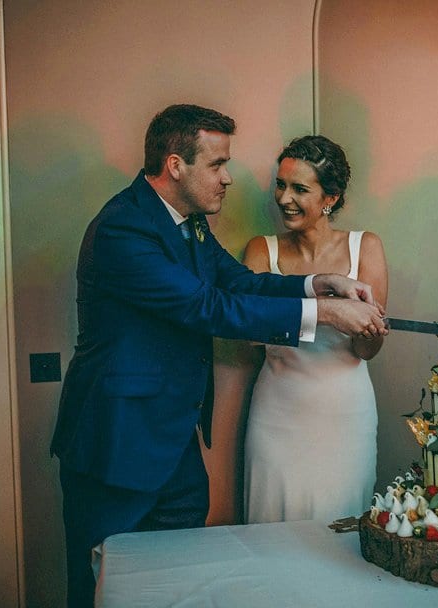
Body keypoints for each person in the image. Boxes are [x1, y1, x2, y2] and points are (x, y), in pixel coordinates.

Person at [50, 105, 387, 607]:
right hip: (116, 444)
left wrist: (318, 283)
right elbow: (206, 306)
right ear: (175, 165)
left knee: (181, 577)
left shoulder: (189, 223)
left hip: (174, 445)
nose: (228, 178)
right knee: (108, 583)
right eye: (217, 164)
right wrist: (326, 315)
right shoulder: (124, 229)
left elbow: (240, 282)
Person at [242, 135, 388, 524]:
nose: (284, 197)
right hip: (276, 415)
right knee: (271, 527)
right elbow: (252, 331)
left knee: (338, 536)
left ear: (331, 198)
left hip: (344, 416)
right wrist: (329, 311)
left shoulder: (366, 247)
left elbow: (366, 352)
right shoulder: (261, 250)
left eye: (299, 189)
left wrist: (368, 331)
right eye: (281, 184)